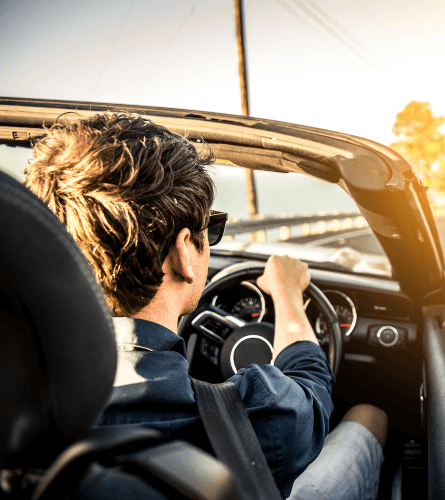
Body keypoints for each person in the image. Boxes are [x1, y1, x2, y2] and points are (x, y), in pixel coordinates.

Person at [24, 111, 387, 500]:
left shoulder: (18, 402)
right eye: (209, 230)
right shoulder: (251, 417)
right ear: (183, 252)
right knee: (369, 415)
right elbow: (312, 391)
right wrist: (287, 294)